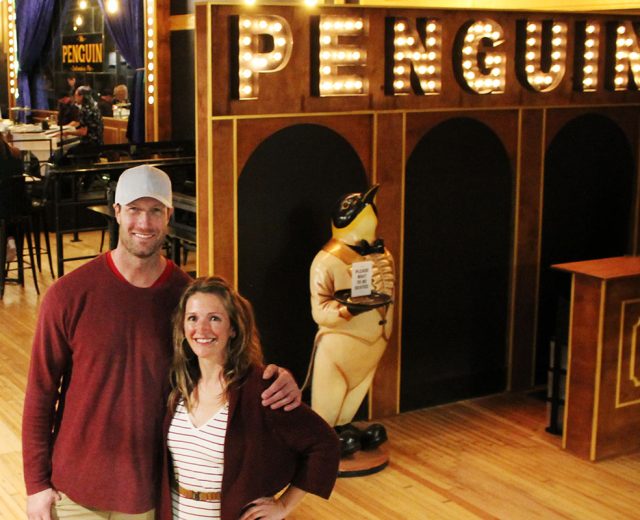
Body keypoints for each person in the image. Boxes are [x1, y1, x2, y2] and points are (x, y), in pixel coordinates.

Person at [22, 165, 302, 519]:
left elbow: (230, 362)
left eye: (155, 211)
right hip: (72, 490)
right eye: (135, 210)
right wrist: (36, 485)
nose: (145, 223)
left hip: (148, 492)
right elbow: (40, 393)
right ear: (117, 211)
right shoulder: (67, 295)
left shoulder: (188, 301)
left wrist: (276, 378)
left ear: (169, 215)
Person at [158, 276, 339, 520]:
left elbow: (324, 442)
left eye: (214, 318)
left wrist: (284, 505)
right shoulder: (178, 386)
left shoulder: (260, 387)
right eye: (193, 318)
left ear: (233, 328)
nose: (201, 329)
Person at [308, 185, 395, 457]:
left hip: (374, 343)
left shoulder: (384, 254)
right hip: (340, 346)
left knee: (355, 395)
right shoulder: (326, 261)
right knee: (329, 400)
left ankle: (345, 429)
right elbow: (319, 311)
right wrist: (347, 311)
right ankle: (325, 439)